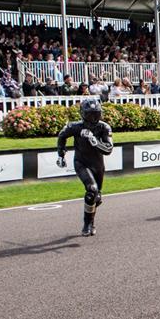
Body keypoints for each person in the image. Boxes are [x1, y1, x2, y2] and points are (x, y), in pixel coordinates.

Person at [57, 97, 114, 236]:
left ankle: (91, 222)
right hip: (81, 163)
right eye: (90, 114)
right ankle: (87, 224)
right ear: (83, 114)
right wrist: (61, 154)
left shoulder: (104, 127)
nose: (93, 117)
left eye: (96, 113)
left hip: (98, 165)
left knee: (96, 197)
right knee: (91, 190)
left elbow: (108, 150)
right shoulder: (75, 126)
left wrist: (95, 142)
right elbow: (62, 136)